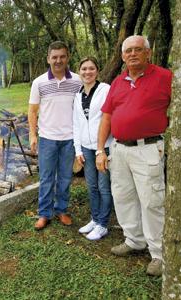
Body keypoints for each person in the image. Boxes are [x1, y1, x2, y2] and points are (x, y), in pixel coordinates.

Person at [96, 35, 172, 276]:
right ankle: (134, 239)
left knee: (151, 200)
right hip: (119, 149)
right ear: (122, 56)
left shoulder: (165, 77)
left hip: (148, 148)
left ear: (147, 52)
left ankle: (158, 253)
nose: (132, 54)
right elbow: (106, 117)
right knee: (123, 196)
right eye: (127, 51)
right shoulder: (118, 83)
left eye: (137, 49)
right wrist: (100, 150)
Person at [28, 41, 82, 230]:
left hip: (70, 138)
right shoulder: (39, 82)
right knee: (46, 177)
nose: (58, 61)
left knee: (66, 177)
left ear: (67, 57)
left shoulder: (77, 81)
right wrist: (33, 135)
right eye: (54, 57)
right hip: (47, 138)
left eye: (62, 57)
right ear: (48, 59)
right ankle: (44, 213)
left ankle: (61, 210)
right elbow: (33, 111)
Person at [73, 57, 113, 240]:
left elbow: (110, 117)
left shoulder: (105, 90)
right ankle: (95, 219)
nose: (87, 72)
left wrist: (102, 149)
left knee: (104, 187)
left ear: (97, 70)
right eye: (84, 69)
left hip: (104, 147)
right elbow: (76, 124)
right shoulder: (78, 94)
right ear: (79, 71)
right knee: (92, 186)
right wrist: (78, 150)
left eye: (91, 68)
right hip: (86, 148)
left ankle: (103, 224)